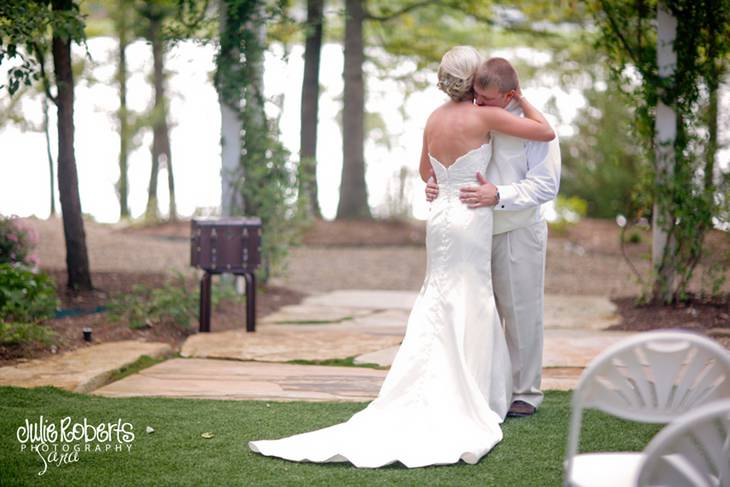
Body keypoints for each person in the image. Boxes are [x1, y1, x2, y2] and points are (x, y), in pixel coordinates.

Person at [248, 46, 555, 468]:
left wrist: (439, 186)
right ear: (472, 82)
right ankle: (476, 394)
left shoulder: (433, 118)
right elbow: (545, 132)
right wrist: (521, 99)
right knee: (473, 301)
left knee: (438, 299)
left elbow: (426, 172)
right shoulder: (484, 115)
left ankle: (435, 385)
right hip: (471, 219)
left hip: (442, 217)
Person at [425, 57, 562, 417]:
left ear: (510, 94)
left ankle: (525, 393)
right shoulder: (479, 112)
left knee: (520, 311)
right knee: (479, 308)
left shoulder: (533, 125)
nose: (478, 104)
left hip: (517, 228)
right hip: (475, 228)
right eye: (476, 97)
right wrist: (436, 183)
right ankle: (483, 384)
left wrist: (498, 195)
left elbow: (546, 185)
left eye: (485, 100)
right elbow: (452, 158)